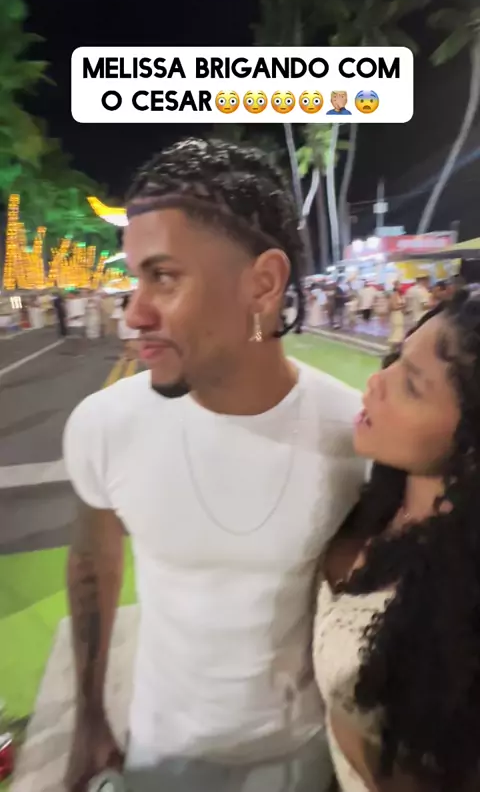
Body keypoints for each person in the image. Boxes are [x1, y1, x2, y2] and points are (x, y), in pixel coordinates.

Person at [63, 138, 366, 792]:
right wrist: (88, 717)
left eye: (164, 277)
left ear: (262, 283)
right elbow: (92, 560)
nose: (134, 312)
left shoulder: (355, 435)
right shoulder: (104, 425)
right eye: (136, 277)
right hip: (159, 756)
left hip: (304, 760)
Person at [314, 287, 480, 792]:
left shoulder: (461, 600)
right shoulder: (378, 495)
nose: (376, 381)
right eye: (396, 357)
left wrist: (353, 731)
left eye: (410, 385)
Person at [387, 280, 405, 351]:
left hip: (400, 315)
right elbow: (393, 307)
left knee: (398, 333)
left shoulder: (399, 295)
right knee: (396, 334)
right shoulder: (394, 295)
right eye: (400, 285)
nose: (401, 286)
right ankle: (392, 350)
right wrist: (402, 306)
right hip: (396, 315)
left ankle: (394, 350)